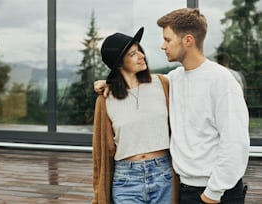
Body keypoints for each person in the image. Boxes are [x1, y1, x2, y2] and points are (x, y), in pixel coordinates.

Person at [94, 8, 250, 204]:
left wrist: (213, 192)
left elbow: (236, 143)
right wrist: (108, 82)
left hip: (215, 191)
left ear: (188, 40)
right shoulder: (174, 79)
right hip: (184, 187)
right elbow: (137, 85)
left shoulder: (221, 81)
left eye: (167, 40)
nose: (162, 46)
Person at [92, 27, 178, 204]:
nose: (141, 56)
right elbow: (104, 150)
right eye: (133, 54)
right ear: (118, 63)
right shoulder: (106, 99)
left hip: (163, 174)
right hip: (126, 180)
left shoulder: (162, 84)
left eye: (140, 50)